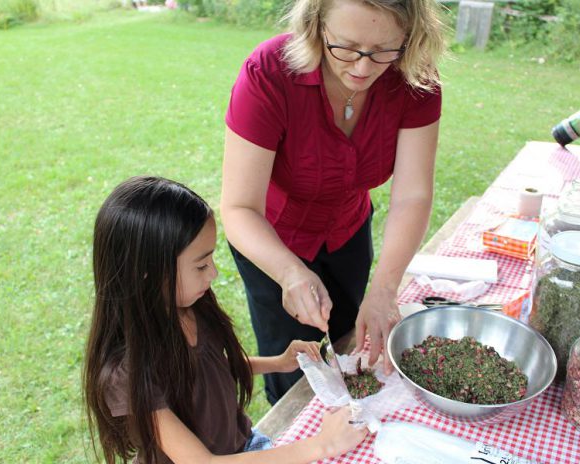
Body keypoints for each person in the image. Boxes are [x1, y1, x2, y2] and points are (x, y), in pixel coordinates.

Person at [221, 0, 445, 404]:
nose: (362, 68)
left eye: (382, 51)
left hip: (348, 230)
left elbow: (412, 194)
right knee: (294, 368)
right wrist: (290, 274)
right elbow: (239, 209)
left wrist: (385, 288)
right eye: (345, 47)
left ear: (409, 38)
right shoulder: (269, 71)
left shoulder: (414, 76)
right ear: (316, 26)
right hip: (272, 238)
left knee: (350, 344)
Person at [83, 176, 367, 464]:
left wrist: (278, 362)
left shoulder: (193, 307)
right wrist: (321, 445)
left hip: (244, 447)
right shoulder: (125, 373)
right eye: (201, 264)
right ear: (148, 273)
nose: (214, 273)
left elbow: (210, 370)